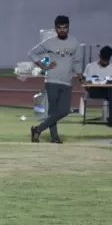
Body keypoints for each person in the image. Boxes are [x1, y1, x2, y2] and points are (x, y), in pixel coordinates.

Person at [28, 15, 84, 143]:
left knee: (64, 110)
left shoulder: (74, 42)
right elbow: (32, 53)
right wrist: (43, 65)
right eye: (60, 28)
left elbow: (77, 61)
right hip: (52, 80)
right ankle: (54, 138)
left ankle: (37, 129)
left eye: (65, 27)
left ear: (68, 27)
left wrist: (80, 75)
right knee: (53, 111)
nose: (62, 30)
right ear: (56, 28)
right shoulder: (49, 42)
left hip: (67, 81)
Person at [83, 46, 112, 127]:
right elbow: (84, 81)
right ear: (100, 56)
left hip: (108, 91)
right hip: (94, 91)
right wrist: (89, 82)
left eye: (107, 59)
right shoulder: (90, 66)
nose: (105, 61)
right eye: (103, 58)